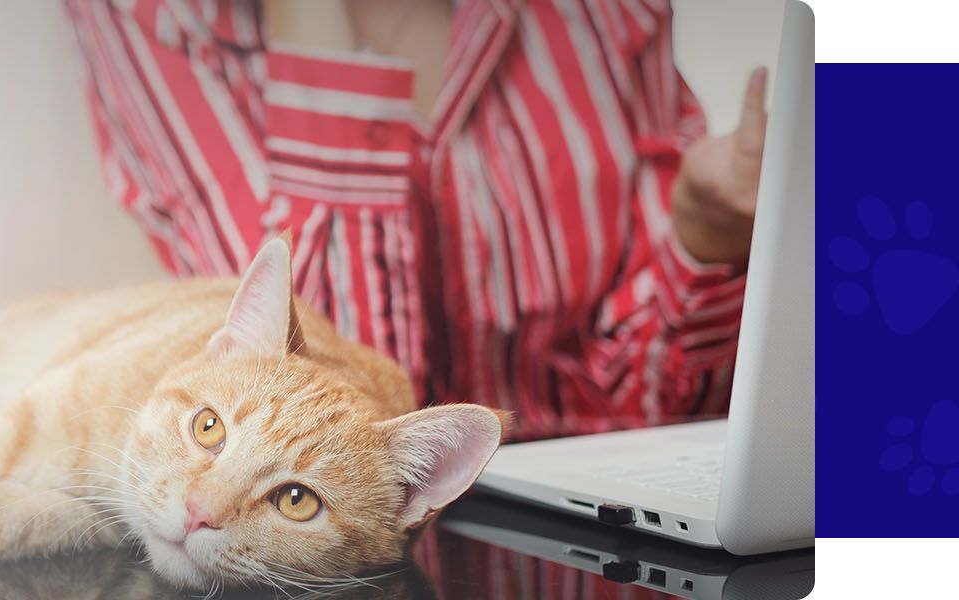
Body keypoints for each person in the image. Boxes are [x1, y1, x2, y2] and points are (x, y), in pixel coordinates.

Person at [64, 0, 766, 440]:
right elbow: (333, 409)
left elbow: (654, 415)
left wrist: (706, 233)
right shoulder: (151, 17)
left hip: (588, 534)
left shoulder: (603, 16)